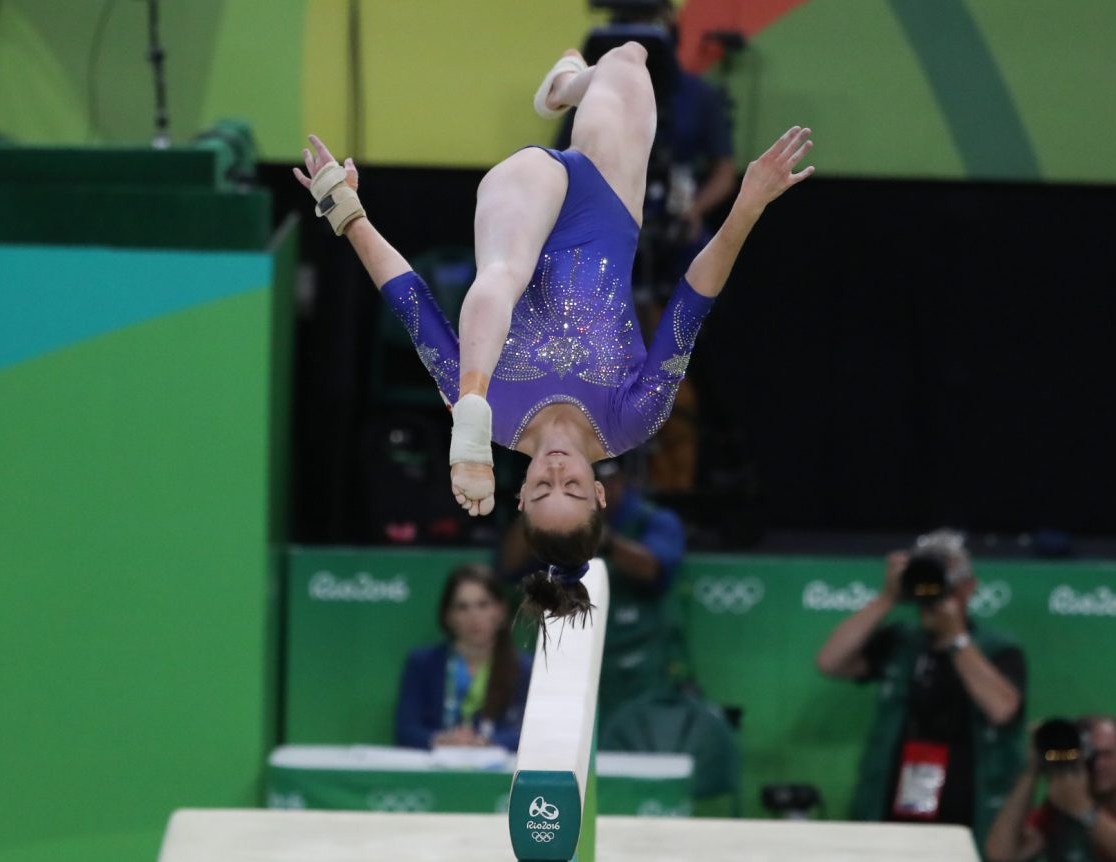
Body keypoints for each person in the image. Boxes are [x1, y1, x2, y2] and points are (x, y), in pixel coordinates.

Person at [294, 44, 814, 626]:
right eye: (571, 488)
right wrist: (747, 206)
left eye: (543, 490)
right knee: (630, 60)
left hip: (523, 212)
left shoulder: (501, 418)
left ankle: (462, 410)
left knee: (503, 276)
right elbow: (691, 304)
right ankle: (571, 84)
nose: (557, 471)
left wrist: (347, 213)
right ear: (598, 495)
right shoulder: (633, 417)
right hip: (611, 210)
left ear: (520, 497)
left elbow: (415, 306)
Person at [815, 529, 1027, 845]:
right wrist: (887, 598)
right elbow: (830, 662)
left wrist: (955, 638)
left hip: (967, 805)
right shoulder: (902, 642)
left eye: (945, 584)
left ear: (968, 588)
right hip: (896, 799)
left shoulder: (998, 649)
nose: (933, 595)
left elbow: (1002, 709)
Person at [500, 458, 688, 721]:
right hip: (564, 661)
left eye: (590, 484)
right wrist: (537, 505)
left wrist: (605, 539)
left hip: (633, 665)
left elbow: (653, 569)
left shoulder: (653, 519)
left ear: (615, 482)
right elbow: (509, 565)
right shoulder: (554, 522)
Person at [986, 715, 1116, 862]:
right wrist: (1032, 770)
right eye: (1088, 754)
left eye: (1107, 754)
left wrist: (1084, 809)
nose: (1098, 764)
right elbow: (1001, 854)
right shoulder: (1059, 811)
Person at [394, 563, 532, 751]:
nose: (474, 616)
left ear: (500, 611)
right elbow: (406, 730)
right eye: (462, 607)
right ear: (449, 616)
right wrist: (441, 739)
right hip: (436, 772)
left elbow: (530, 734)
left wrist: (487, 742)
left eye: (483, 605)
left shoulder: (524, 668)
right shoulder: (422, 663)